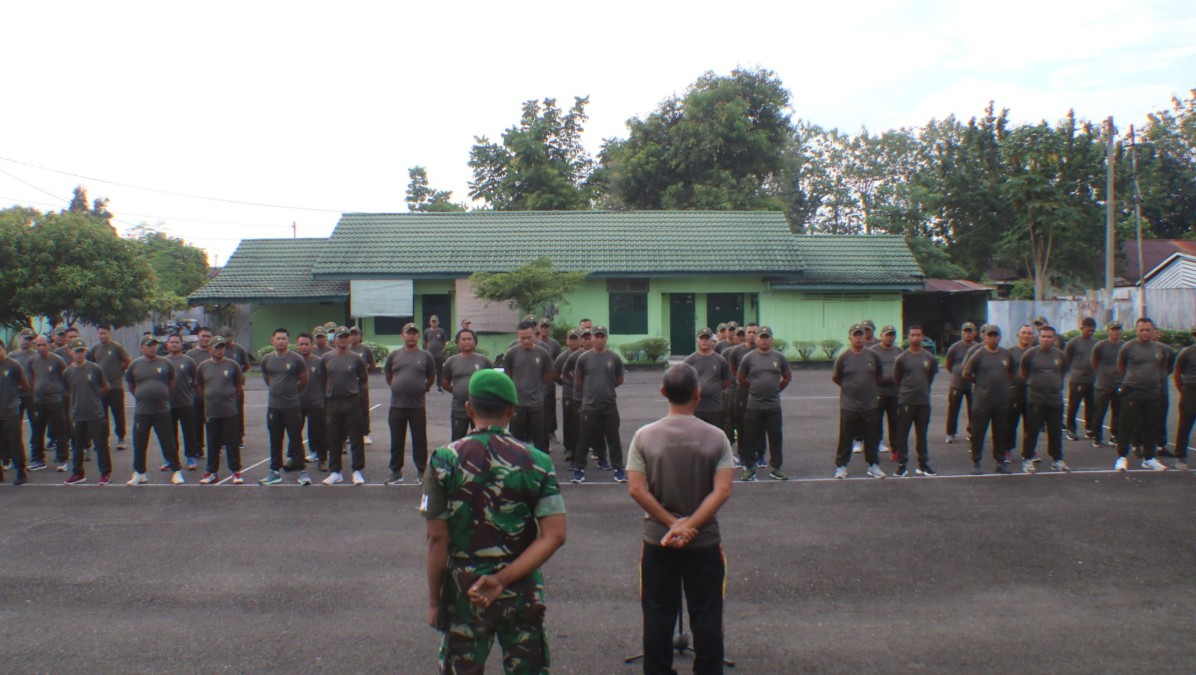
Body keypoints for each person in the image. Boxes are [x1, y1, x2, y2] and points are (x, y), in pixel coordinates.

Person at [422, 368, 567, 674]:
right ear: (512, 410)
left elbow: (437, 538)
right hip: (521, 585)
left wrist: (435, 602)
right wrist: (503, 580)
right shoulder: (537, 461)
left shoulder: (443, 460)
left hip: (465, 588)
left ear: (469, 408)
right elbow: (554, 535)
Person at [627, 363, 733, 675]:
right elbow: (722, 490)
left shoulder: (644, 436)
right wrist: (690, 525)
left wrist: (671, 523)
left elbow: (636, 488)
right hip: (704, 541)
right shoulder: (716, 437)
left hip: (658, 539)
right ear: (698, 395)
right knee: (707, 613)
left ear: (663, 392)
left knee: (658, 614)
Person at [1115, 318, 1171, 472]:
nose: (1145, 333)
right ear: (1136, 330)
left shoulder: (1161, 349)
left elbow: (1165, 368)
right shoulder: (1128, 347)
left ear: (1153, 331)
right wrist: (1128, 382)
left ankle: (1149, 458)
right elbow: (1121, 366)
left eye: (1148, 330)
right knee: (1127, 425)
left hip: (1153, 392)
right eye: (1142, 330)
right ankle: (1122, 457)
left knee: (1151, 426)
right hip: (1132, 392)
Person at [125, 335, 183, 486]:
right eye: (149, 345)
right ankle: (139, 473)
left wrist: (161, 394)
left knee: (168, 442)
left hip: (161, 410)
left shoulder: (165, 363)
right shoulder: (135, 365)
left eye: (154, 345)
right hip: (142, 412)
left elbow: (171, 382)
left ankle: (176, 471)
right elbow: (131, 385)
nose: (152, 347)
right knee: (139, 443)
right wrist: (141, 395)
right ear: (141, 348)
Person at [573, 325, 626, 484]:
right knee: (584, 438)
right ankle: (579, 469)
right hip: (589, 405)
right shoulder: (583, 358)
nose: (599, 339)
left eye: (602, 336)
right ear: (592, 338)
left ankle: (618, 469)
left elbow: (619, 379)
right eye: (596, 336)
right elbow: (579, 379)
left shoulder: (614, 358)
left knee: (613, 438)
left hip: (609, 405)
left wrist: (607, 389)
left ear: (606, 338)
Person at [384, 323, 436, 485]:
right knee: (396, 441)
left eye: (414, 333)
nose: (411, 336)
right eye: (408, 333)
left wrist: (422, 388)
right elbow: (388, 375)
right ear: (402, 336)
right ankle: (395, 472)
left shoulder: (426, 356)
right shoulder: (394, 356)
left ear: (418, 336)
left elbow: (431, 376)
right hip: (397, 406)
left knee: (420, 441)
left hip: (417, 406)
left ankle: (421, 471)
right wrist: (398, 387)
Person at [737, 325, 791, 481]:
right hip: (754, 405)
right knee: (750, 438)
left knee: (775, 437)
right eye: (761, 337)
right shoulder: (749, 358)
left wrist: (776, 389)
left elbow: (787, 376)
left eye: (767, 337)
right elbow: (741, 377)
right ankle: (749, 468)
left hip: (773, 405)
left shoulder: (779, 357)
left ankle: (776, 468)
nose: (764, 340)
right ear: (757, 339)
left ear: (771, 339)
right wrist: (753, 388)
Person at [961, 324, 1015, 475]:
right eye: (990, 335)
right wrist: (979, 382)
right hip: (982, 401)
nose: (992, 338)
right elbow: (966, 374)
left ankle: (1000, 462)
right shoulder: (978, 354)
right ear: (984, 337)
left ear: (999, 337)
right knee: (978, 433)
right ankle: (976, 462)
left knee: (1000, 433)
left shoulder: (1006, 354)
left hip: (1001, 402)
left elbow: (1011, 373)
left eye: (995, 335)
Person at [832, 324, 884, 479]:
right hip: (849, 406)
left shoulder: (873, 356)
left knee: (871, 436)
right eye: (855, 335)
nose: (858, 337)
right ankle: (841, 466)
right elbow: (836, 377)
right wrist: (849, 387)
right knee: (846, 436)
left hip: (870, 404)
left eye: (860, 334)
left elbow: (879, 376)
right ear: (850, 338)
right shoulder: (844, 357)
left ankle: (873, 466)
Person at [260, 328, 310, 486]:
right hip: (274, 407)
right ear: (272, 340)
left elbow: (303, 381)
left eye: (283, 339)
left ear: (288, 341)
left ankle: (302, 471)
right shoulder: (267, 359)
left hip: (292, 406)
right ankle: (274, 472)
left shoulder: (296, 359)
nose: (281, 341)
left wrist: (291, 393)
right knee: (275, 439)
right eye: (278, 338)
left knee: (295, 438)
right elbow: (267, 379)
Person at [1019, 325, 1070, 473]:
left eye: (1049, 337)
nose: (1046, 340)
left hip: (1055, 400)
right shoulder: (1030, 354)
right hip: (1036, 400)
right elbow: (1024, 374)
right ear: (1038, 337)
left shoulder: (1060, 355)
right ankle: (1028, 459)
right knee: (1032, 431)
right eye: (1043, 337)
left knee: (1055, 432)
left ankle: (1057, 459)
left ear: (1054, 338)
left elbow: (1062, 373)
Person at [323, 326, 369, 485]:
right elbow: (324, 379)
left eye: (345, 337)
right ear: (334, 339)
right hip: (333, 402)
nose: (343, 339)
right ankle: (336, 472)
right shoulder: (327, 358)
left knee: (356, 437)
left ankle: (357, 471)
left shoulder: (356, 359)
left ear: (349, 339)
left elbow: (363, 379)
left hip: (352, 401)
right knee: (333, 438)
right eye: (340, 337)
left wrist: (358, 397)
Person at [196, 336, 245, 484]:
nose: (220, 350)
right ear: (210, 349)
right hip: (211, 411)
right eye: (217, 347)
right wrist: (211, 397)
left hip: (229, 411)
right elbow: (200, 387)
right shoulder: (203, 366)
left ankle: (236, 472)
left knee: (232, 442)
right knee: (212, 443)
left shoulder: (232, 365)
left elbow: (238, 386)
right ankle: (212, 472)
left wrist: (229, 399)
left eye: (222, 347)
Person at [892, 325, 939, 477]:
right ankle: (902, 465)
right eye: (913, 335)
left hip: (923, 402)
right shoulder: (902, 358)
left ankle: (923, 464)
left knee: (922, 434)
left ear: (923, 336)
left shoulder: (929, 357)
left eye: (918, 335)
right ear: (908, 337)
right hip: (906, 401)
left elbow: (930, 377)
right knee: (902, 434)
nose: (916, 338)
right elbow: (897, 378)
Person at [63, 338, 111, 485]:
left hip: (95, 413)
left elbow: (105, 386)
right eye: (77, 351)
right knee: (77, 445)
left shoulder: (95, 368)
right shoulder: (67, 372)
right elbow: (66, 391)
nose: (80, 354)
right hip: (77, 414)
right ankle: (78, 473)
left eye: (82, 351)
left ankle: (105, 473)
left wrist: (94, 398)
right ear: (70, 352)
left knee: (101, 444)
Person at [504, 320, 554, 457]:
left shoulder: (543, 353)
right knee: (516, 440)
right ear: (517, 336)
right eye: (522, 338)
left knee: (540, 440)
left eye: (529, 337)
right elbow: (508, 376)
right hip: (518, 404)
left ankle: (542, 467)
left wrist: (536, 389)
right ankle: (516, 465)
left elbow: (547, 376)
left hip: (537, 403)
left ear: (535, 335)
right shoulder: (511, 353)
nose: (526, 341)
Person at [441, 328, 493, 442]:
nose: (467, 341)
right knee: (457, 441)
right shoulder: (451, 361)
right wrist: (458, 392)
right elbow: (445, 383)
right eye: (463, 339)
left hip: (480, 409)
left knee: (482, 441)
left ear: (474, 342)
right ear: (458, 343)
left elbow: (491, 380)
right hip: (459, 409)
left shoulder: (484, 360)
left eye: (469, 339)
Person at [29, 334, 69, 472]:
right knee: (37, 431)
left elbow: (66, 377)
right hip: (39, 401)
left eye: (43, 344)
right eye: (38, 345)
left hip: (55, 401)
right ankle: (38, 459)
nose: (41, 347)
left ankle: (62, 459)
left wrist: (58, 391)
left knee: (60, 430)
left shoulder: (58, 360)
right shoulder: (33, 360)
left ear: (49, 345)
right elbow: (32, 377)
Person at [88, 324, 131, 451]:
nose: (102, 336)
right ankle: (103, 440)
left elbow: (127, 360)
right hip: (101, 388)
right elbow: (90, 364)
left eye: (104, 333)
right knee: (102, 415)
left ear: (109, 333)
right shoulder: (95, 349)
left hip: (116, 386)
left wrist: (120, 371)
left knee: (118, 413)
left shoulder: (116, 347)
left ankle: (121, 438)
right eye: (100, 333)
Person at [684, 327, 733, 432]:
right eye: (702, 338)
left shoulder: (720, 360)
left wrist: (713, 387)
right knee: (696, 439)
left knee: (715, 438)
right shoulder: (690, 361)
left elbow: (727, 380)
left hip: (715, 408)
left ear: (712, 341)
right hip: (696, 408)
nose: (704, 341)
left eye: (707, 338)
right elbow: (684, 382)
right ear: (697, 340)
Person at [164, 334, 201, 471]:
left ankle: (191, 457)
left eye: (177, 342)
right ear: (167, 345)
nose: (174, 344)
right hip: (168, 404)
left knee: (189, 432)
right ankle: (171, 459)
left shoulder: (188, 361)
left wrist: (188, 392)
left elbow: (195, 381)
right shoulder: (163, 361)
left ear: (181, 344)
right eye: (171, 342)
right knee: (169, 433)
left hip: (186, 403)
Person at [295, 333, 329, 471]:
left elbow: (325, 380)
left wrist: (323, 397)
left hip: (316, 403)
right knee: (295, 432)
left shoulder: (319, 361)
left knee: (319, 432)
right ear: (297, 345)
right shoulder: (294, 361)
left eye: (306, 344)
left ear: (311, 345)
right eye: (301, 344)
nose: (304, 347)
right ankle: (296, 459)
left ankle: (322, 459)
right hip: (296, 404)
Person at [0, 339, 31, 485]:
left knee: (15, 442)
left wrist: (13, 396)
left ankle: (20, 471)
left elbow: (24, 385)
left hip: (11, 411)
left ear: (3, 349)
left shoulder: (13, 365)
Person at [1004, 324, 1036, 463]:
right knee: (1010, 425)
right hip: (1014, 394)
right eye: (1024, 333)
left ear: (1033, 337)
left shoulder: (1036, 352)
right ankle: (1007, 450)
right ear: (1018, 335)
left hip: (1033, 395)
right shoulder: (1010, 352)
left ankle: (1029, 451)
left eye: (1029, 333)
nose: (1026, 336)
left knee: (1031, 426)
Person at [1089, 321, 1124, 448]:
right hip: (1102, 385)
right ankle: (1097, 436)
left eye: (1118, 329)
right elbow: (1094, 363)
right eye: (1113, 329)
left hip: (1119, 384)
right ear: (1108, 331)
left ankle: (1114, 435)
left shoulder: (1124, 346)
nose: (1115, 332)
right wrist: (1102, 375)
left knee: (1118, 412)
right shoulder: (1100, 346)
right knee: (1099, 412)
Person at [1064, 318, 1098, 441]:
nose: (1090, 333)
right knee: (1073, 405)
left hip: (1092, 379)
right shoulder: (1073, 343)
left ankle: (1089, 428)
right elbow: (1066, 359)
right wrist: (1071, 373)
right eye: (1088, 330)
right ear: (1081, 328)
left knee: (1091, 405)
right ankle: (1071, 429)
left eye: (1092, 331)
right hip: (1077, 379)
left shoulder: (1096, 342)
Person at [871, 325, 902, 460]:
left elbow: (903, 370)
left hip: (894, 393)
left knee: (895, 422)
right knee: (875, 422)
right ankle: (875, 447)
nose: (889, 337)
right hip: (878, 392)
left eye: (892, 335)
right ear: (881, 335)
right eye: (887, 334)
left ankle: (895, 449)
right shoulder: (873, 351)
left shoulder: (899, 351)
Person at [944, 322, 977, 443]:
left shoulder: (977, 347)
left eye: (970, 331)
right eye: (965, 331)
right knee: (953, 409)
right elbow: (948, 365)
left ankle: (972, 431)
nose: (968, 334)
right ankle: (950, 433)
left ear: (975, 333)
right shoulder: (955, 347)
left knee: (974, 409)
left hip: (972, 384)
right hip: (957, 383)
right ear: (962, 333)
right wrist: (957, 374)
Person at [219, 328, 251, 448]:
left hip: (235, 385)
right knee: (221, 413)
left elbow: (247, 365)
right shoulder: (219, 349)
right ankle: (222, 438)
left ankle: (238, 438)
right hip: (221, 386)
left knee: (237, 412)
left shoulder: (239, 349)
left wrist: (237, 373)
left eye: (228, 338)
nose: (227, 341)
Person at [553, 330, 581, 462]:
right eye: (572, 339)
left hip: (584, 395)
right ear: (567, 341)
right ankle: (569, 447)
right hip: (568, 394)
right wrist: (566, 383)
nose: (574, 341)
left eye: (576, 339)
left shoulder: (584, 355)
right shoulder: (562, 357)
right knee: (569, 421)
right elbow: (555, 374)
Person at [1171, 325, 1196, 471]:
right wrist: (1184, 391)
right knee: (1185, 424)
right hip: (1190, 390)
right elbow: (1177, 374)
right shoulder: (1186, 353)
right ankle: (1180, 456)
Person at [187, 327, 215, 458]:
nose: (206, 339)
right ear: (198, 337)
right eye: (203, 336)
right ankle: (198, 448)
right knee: (196, 423)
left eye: (208, 336)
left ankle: (216, 448)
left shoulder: (215, 352)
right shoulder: (191, 354)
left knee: (214, 423)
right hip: (197, 395)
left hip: (213, 395)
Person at [349, 326, 377, 445]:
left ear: (360, 336)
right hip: (348, 384)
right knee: (348, 410)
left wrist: (364, 375)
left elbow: (372, 364)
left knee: (363, 409)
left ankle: (365, 433)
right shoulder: (346, 349)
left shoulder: (365, 349)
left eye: (356, 334)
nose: (354, 336)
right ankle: (348, 434)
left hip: (361, 385)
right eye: (351, 334)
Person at [537, 318, 562, 443]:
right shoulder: (534, 342)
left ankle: (551, 432)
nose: (544, 329)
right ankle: (538, 433)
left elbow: (559, 361)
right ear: (538, 328)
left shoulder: (554, 344)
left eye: (546, 327)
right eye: (542, 327)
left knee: (550, 406)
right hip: (536, 379)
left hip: (549, 380)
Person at [423, 315, 449, 393]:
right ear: (430, 322)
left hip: (439, 354)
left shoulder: (441, 331)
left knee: (439, 371)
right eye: (432, 321)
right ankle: (427, 387)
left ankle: (438, 386)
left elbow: (444, 341)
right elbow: (425, 341)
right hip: (430, 354)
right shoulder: (427, 331)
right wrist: (428, 349)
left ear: (438, 322)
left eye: (435, 322)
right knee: (429, 371)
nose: (434, 323)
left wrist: (440, 348)